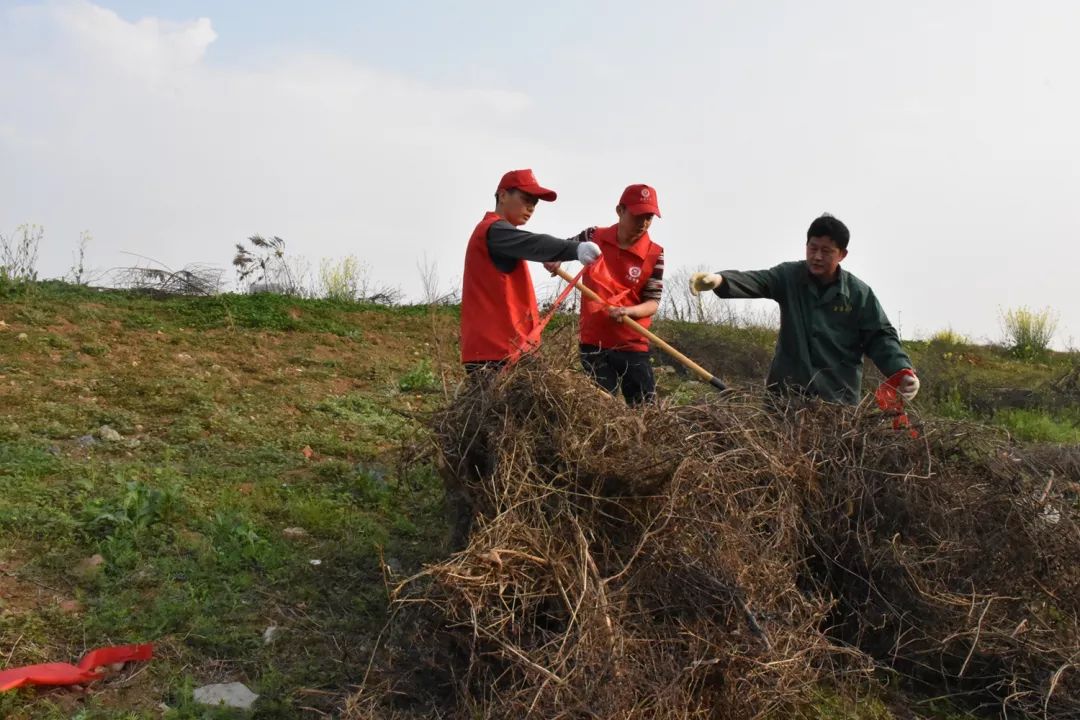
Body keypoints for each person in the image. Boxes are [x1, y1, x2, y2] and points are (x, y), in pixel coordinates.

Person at [689, 214, 920, 406]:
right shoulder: (789, 277)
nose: (817, 256)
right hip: (785, 401)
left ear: (842, 254)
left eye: (827, 251)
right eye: (813, 248)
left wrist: (902, 370)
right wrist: (719, 280)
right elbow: (759, 280)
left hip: (837, 404)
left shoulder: (859, 294)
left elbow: (881, 337)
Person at [460, 168, 602, 372]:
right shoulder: (494, 230)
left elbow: (529, 246)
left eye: (534, 203)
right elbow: (534, 243)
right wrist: (574, 249)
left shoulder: (502, 236)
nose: (531, 207)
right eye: (526, 198)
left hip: (510, 350)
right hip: (496, 353)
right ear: (502, 195)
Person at [546, 184, 664, 405]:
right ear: (620, 211)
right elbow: (564, 248)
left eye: (649, 217)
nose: (644, 223)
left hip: (632, 344)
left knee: (645, 411)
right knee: (600, 408)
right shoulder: (594, 236)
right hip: (595, 343)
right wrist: (556, 258)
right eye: (638, 215)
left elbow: (652, 302)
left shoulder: (655, 253)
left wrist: (629, 311)